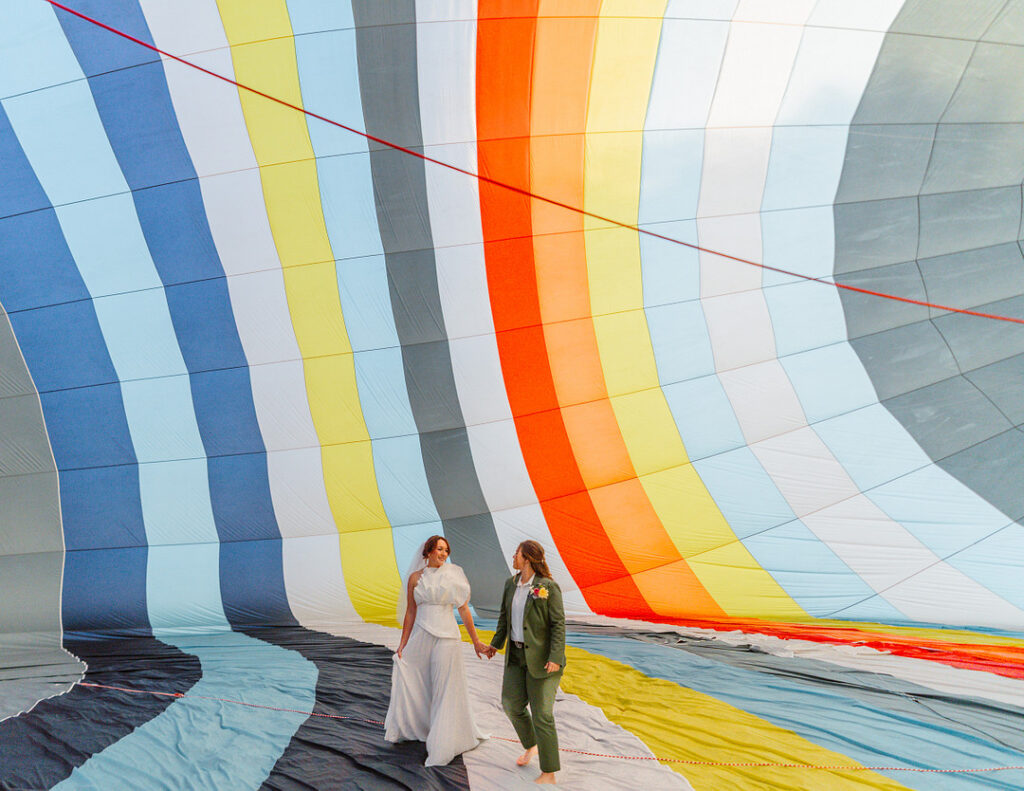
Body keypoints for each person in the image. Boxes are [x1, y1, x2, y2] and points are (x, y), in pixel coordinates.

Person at [385, 535, 490, 766]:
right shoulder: (415, 578)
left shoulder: (455, 574)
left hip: (447, 637)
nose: (443, 553)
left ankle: (443, 744)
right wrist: (403, 643)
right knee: (417, 678)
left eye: (446, 550)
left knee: (444, 687)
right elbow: (410, 611)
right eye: (439, 549)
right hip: (421, 635)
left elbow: (463, 609)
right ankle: (421, 726)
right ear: (428, 551)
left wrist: (476, 641)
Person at [484, 540, 566, 784]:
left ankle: (549, 772)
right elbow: (504, 619)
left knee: (542, 715)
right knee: (511, 704)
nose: (513, 558)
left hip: (544, 660)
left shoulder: (548, 587)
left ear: (527, 559)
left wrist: (555, 657)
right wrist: (495, 645)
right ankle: (532, 745)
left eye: (516, 554)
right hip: (516, 656)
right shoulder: (510, 584)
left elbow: (558, 625)